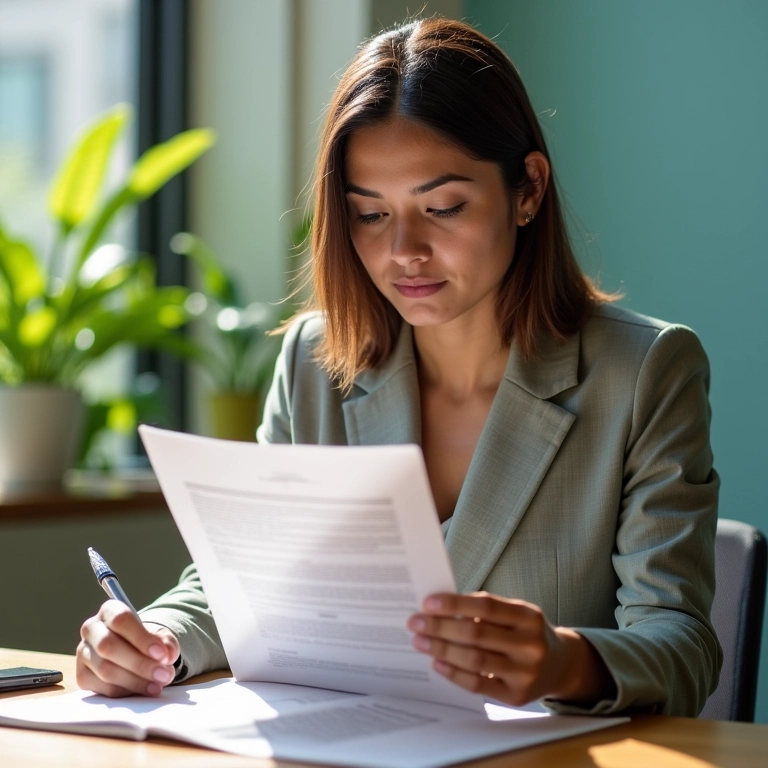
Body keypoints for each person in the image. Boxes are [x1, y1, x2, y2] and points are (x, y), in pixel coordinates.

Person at [76, 17, 721, 716]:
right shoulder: (314, 363)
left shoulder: (645, 371)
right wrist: (156, 638)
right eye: (371, 216)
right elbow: (249, 582)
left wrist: (565, 661)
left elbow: (681, 645)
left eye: (443, 207)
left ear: (529, 189)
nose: (404, 251)